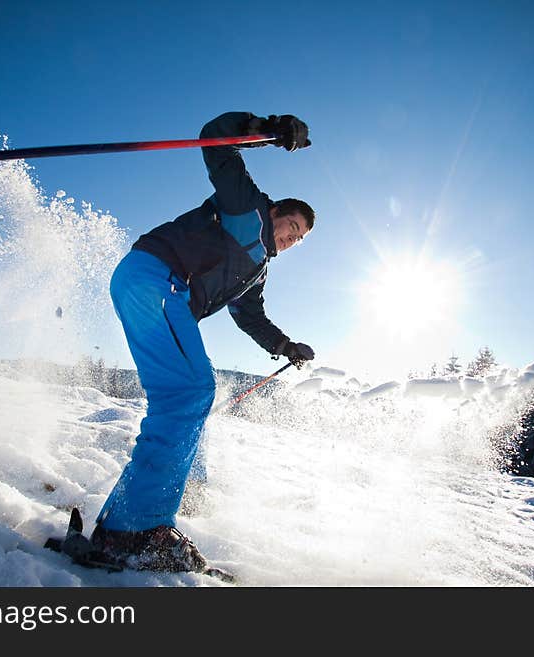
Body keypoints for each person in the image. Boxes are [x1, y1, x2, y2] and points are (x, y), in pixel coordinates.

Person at [90, 111, 316, 572]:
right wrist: (268, 130)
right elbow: (215, 139)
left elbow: (251, 317)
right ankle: (131, 531)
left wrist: (286, 347)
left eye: (298, 239)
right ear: (276, 212)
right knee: (190, 391)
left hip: (156, 290)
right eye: (291, 226)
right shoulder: (247, 208)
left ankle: (179, 490)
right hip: (156, 277)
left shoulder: (256, 267)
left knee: (193, 397)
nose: (290, 239)